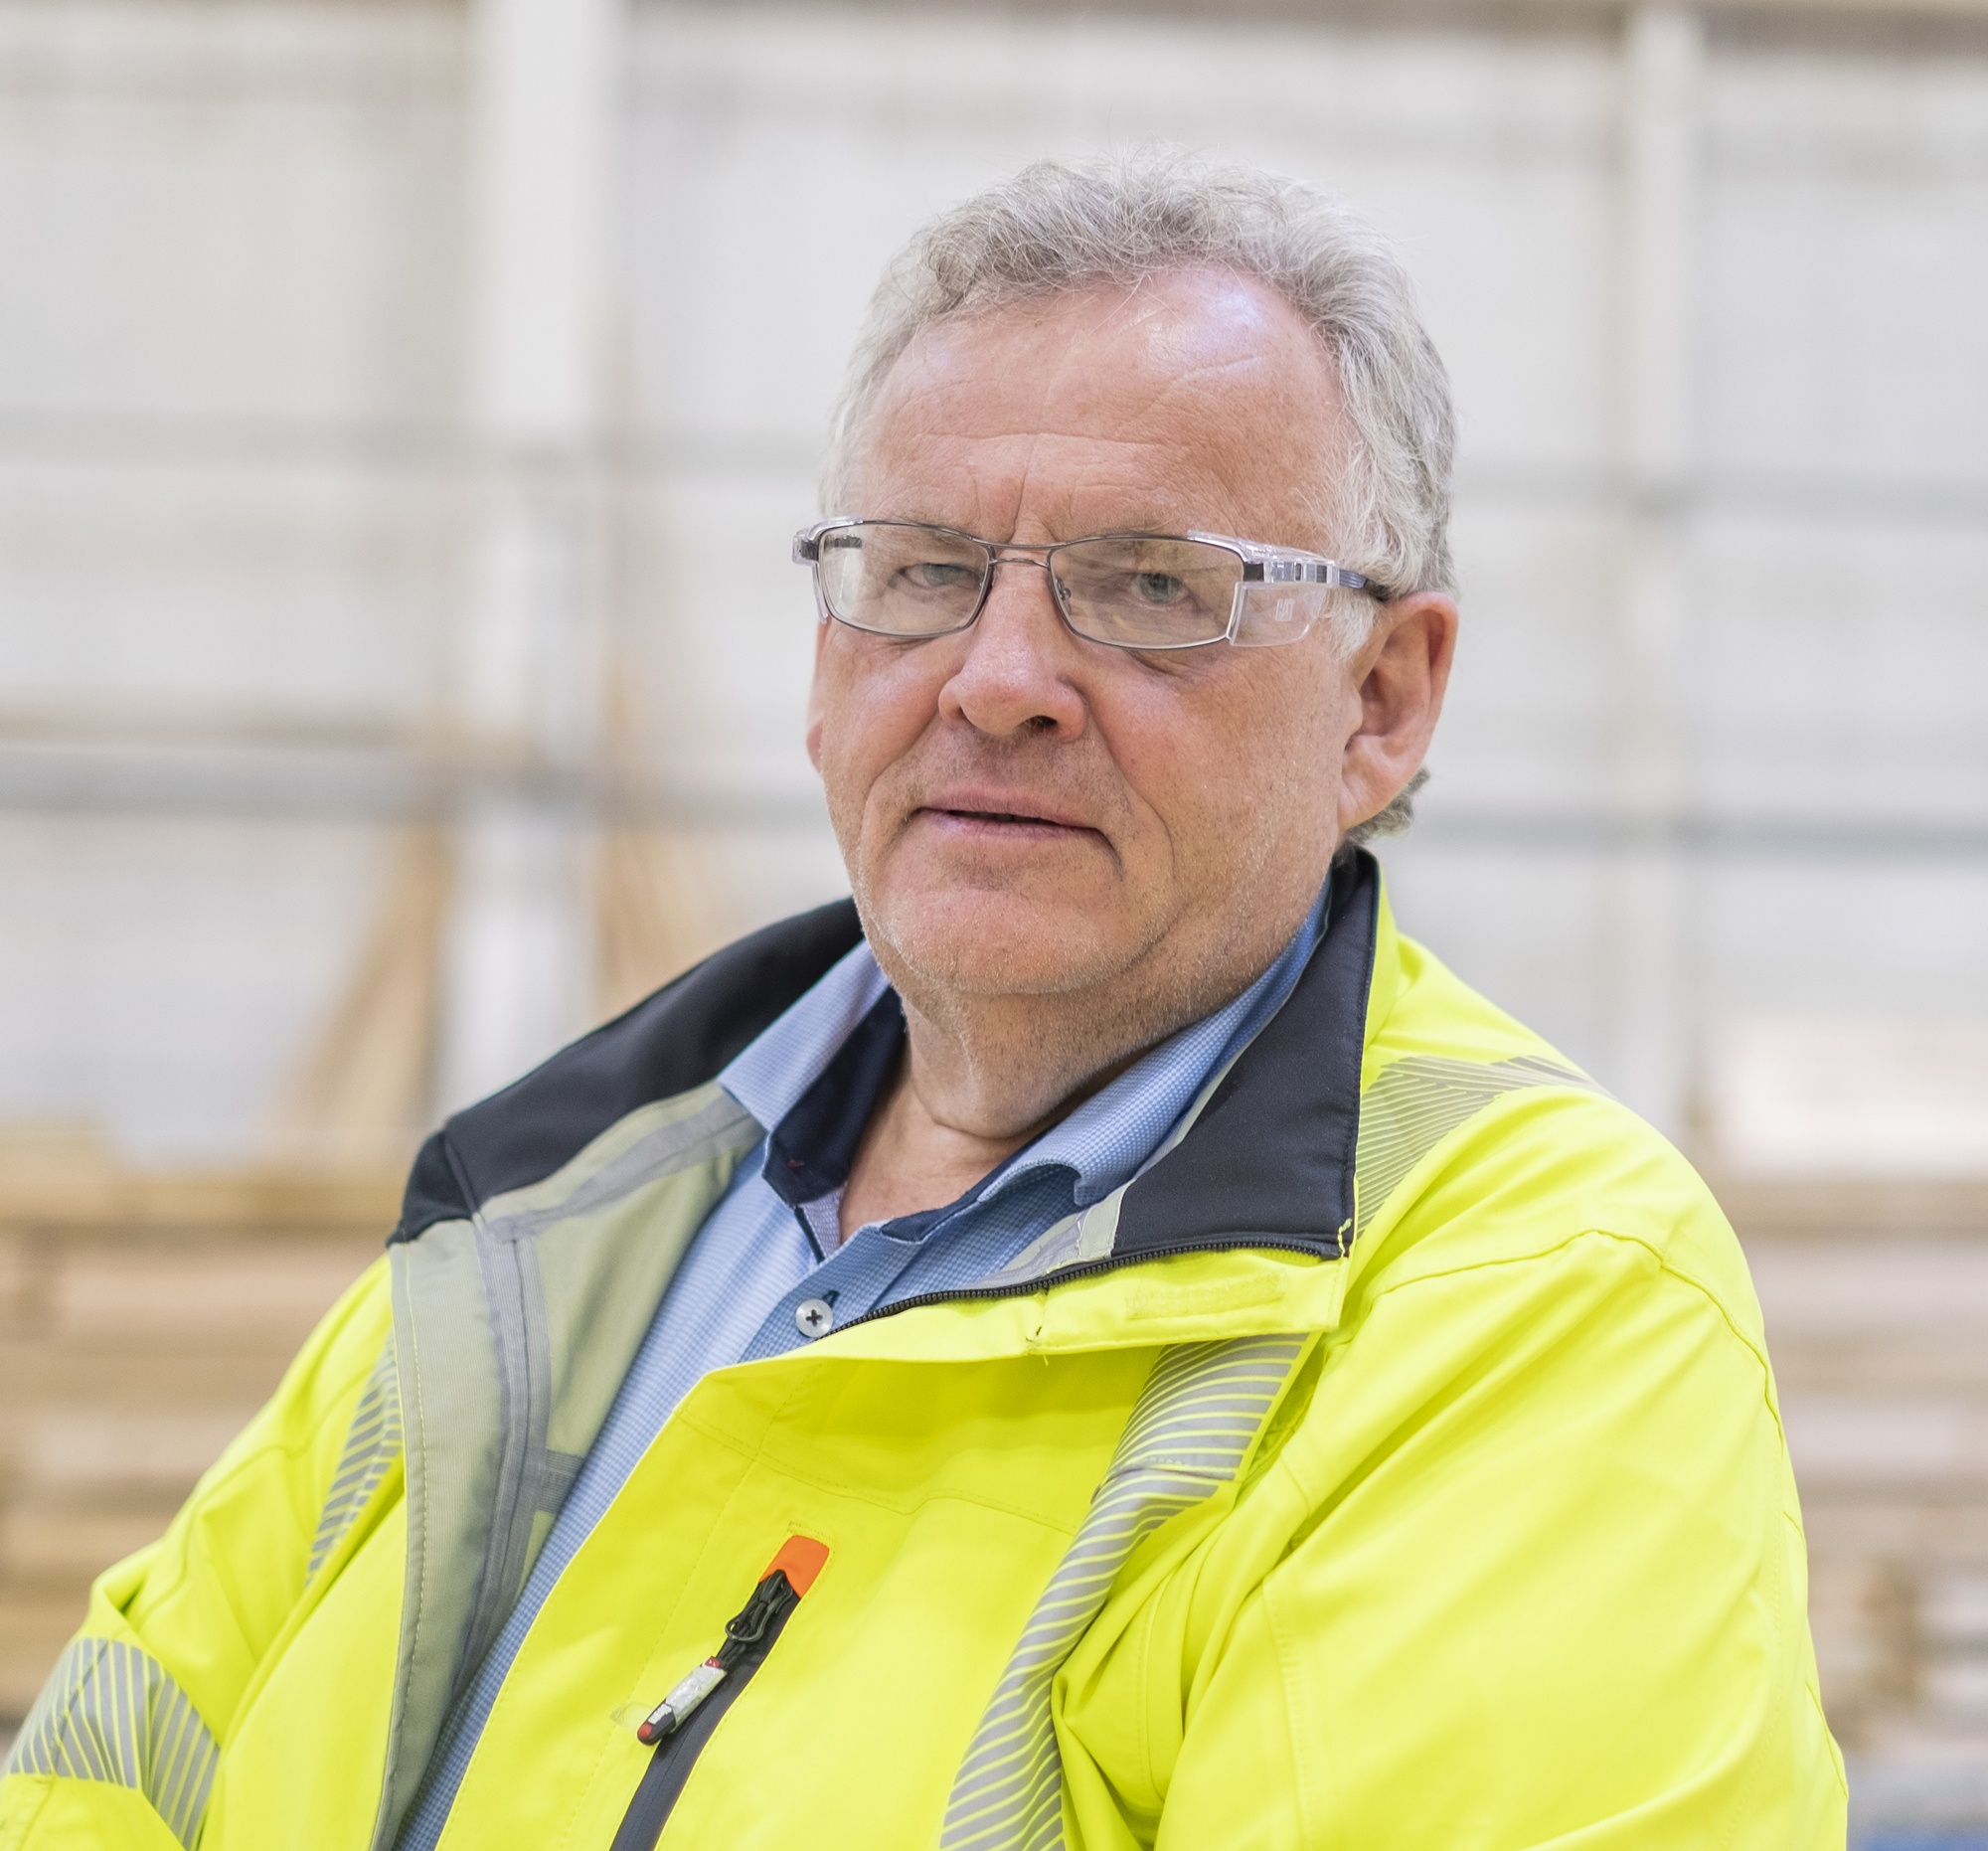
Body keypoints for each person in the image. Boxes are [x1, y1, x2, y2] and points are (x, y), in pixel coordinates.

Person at [1, 152, 1844, 1851]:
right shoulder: (552, 1203)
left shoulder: (1532, 1305)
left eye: (1151, 586)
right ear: (824, 659)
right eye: (924, 573)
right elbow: (111, 1769)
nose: (998, 676)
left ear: (1383, 701)